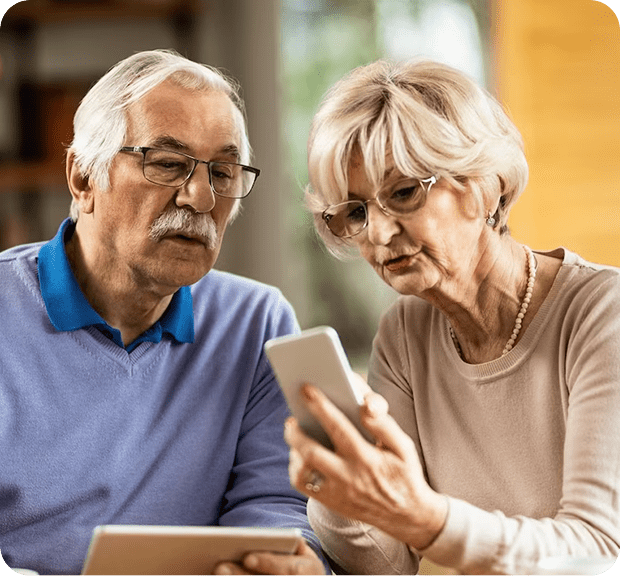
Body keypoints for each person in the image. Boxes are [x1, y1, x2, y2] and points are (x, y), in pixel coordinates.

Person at [284, 59, 620, 575]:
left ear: (485, 182)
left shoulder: (603, 313)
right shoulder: (404, 333)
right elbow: (387, 564)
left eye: (402, 193)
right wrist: (341, 486)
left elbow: (593, 548)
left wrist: (426, 520)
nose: (377, 233)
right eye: (356, 212)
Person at [0, 49, 327, 576]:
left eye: (222, 172)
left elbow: (279, 506)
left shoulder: (259, 324)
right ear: (84, 177)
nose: (200, 198)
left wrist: (273, 562)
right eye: (168, 164)